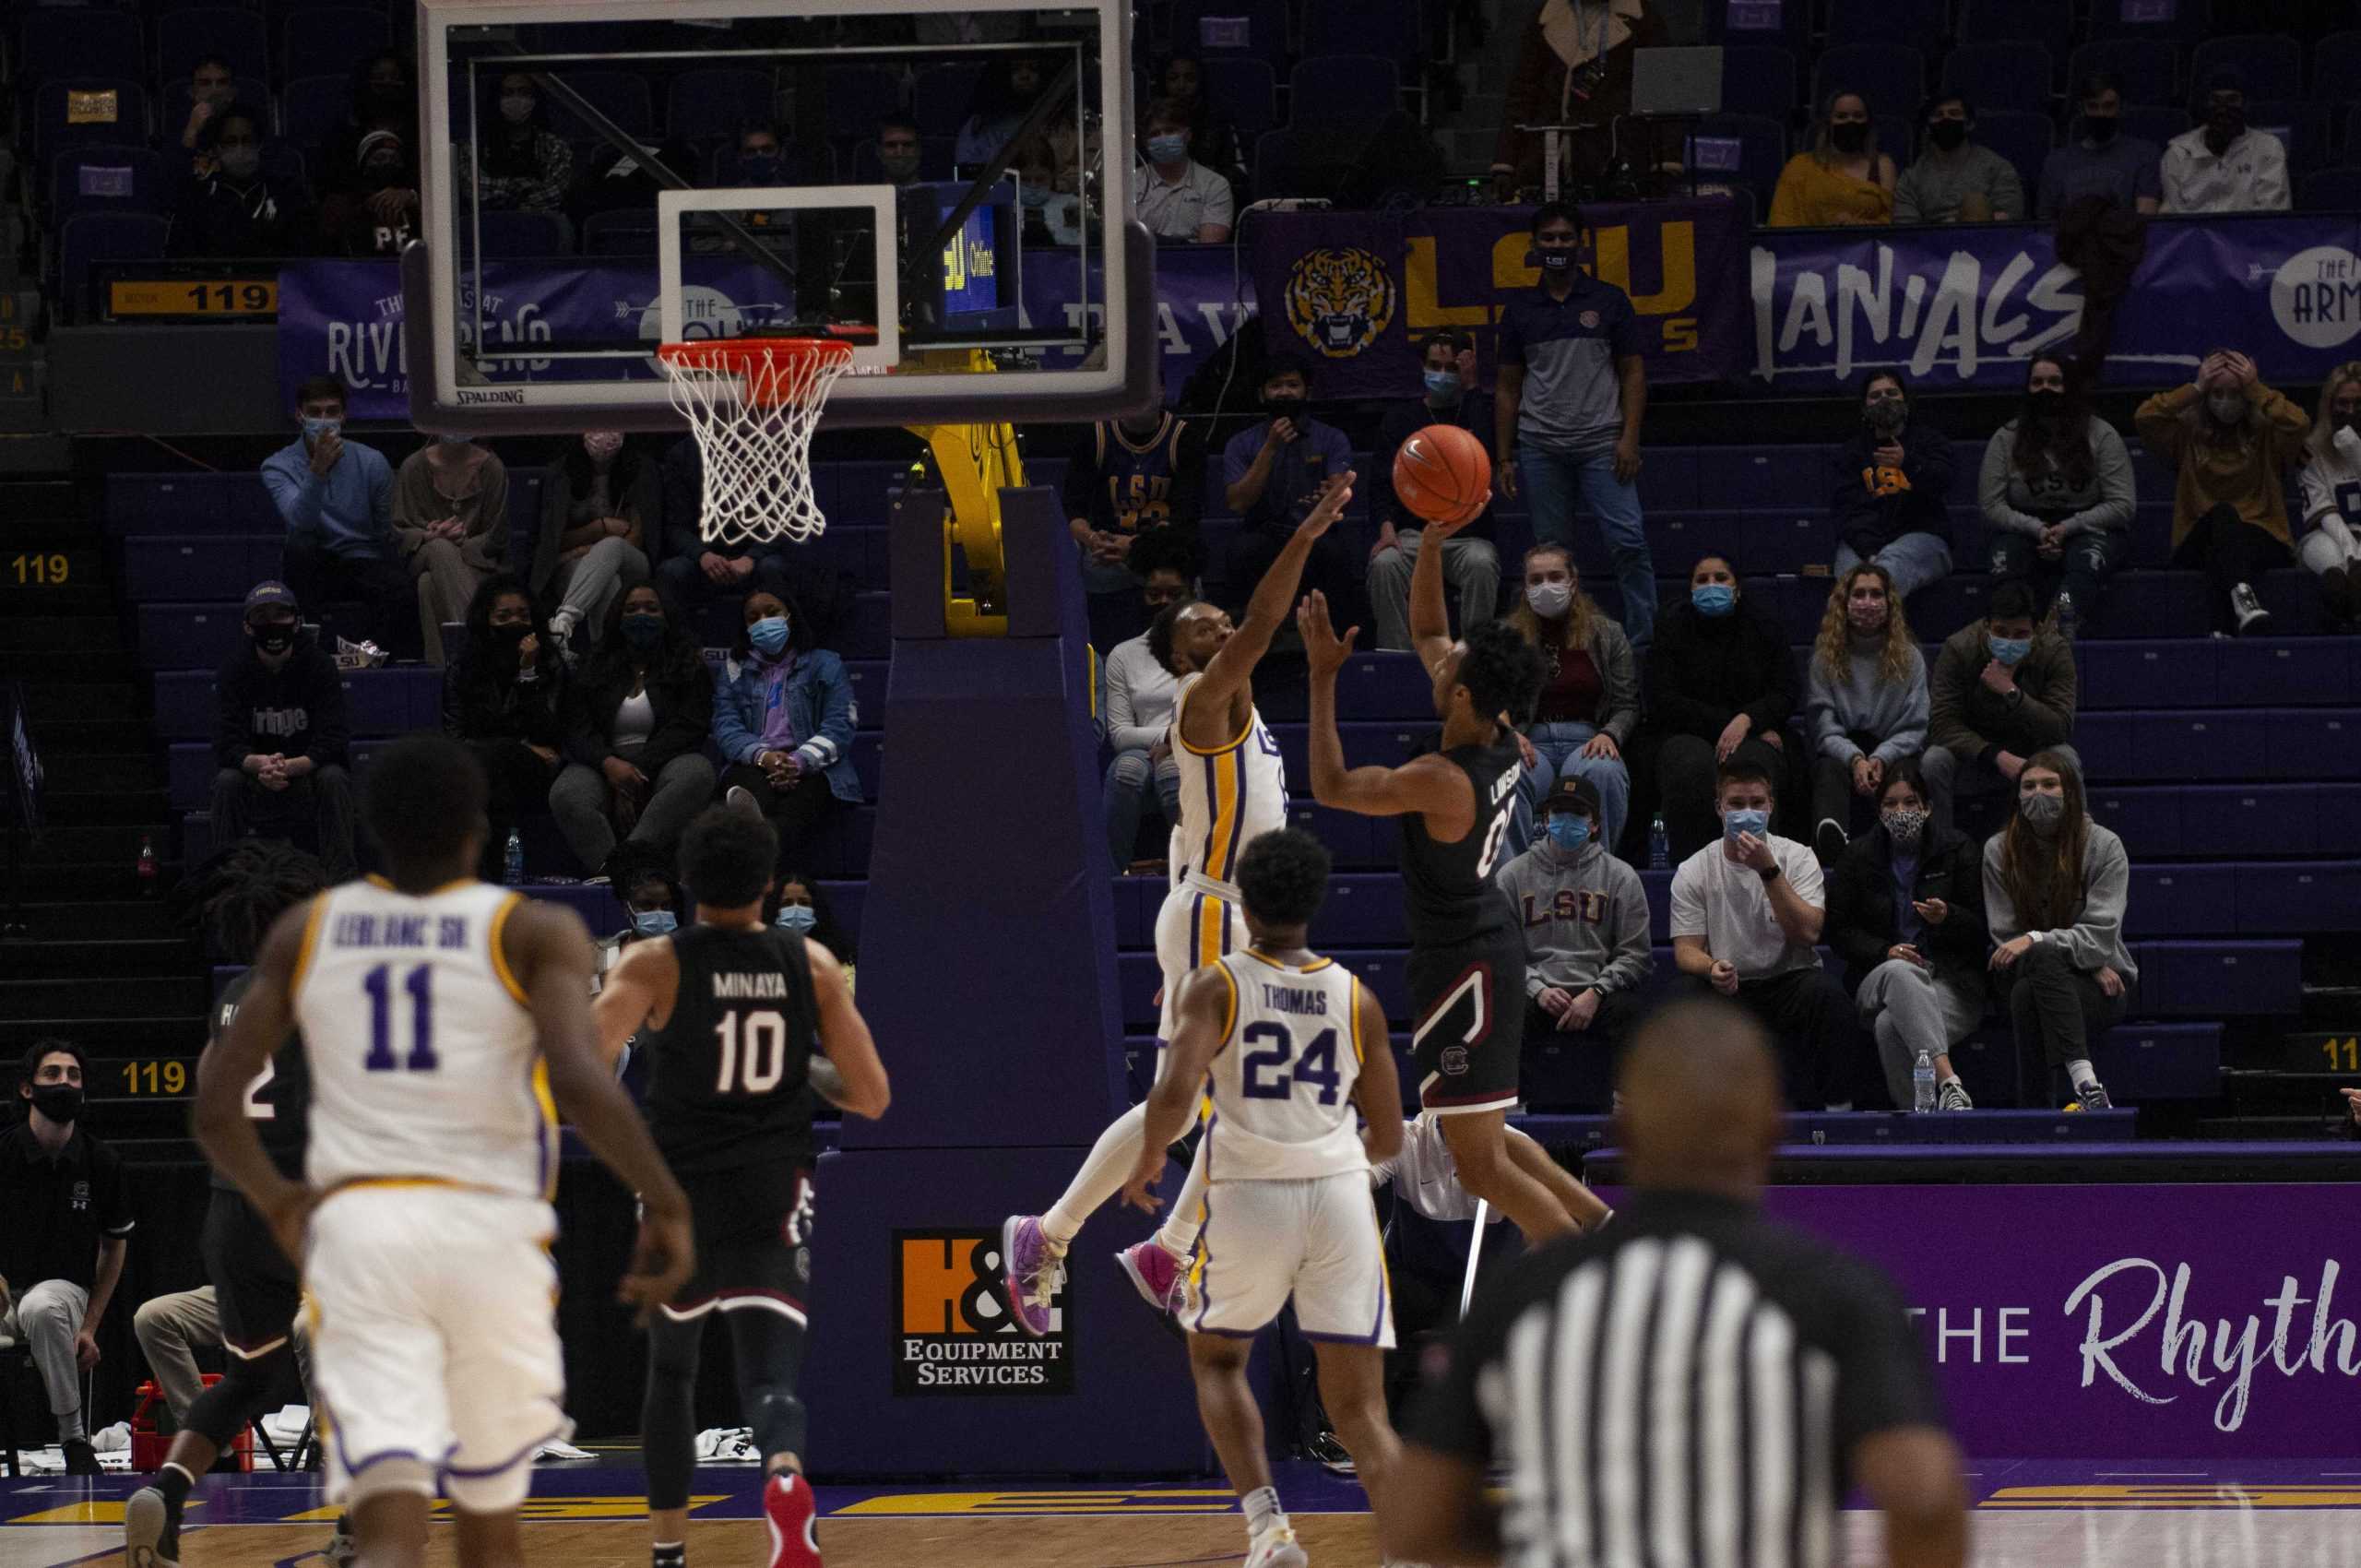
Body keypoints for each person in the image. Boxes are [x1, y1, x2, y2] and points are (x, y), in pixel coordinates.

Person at [191, 735, 695, 1568]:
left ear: (374, 830)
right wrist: (666, 1200)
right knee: (486, 1521)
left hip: (359, 1237)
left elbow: (216, 1108)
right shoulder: (531, 928)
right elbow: (580, 1081)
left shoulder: (306, 933)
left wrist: (279, 1203)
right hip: (479, 1233)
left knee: (389, 1531)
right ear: (477, 827)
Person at [1382, 1001, 1968, 1568]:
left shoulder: (1524, 1296)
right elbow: (1924, 1504)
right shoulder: (1838, 1294)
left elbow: (1419, 1518)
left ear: (1625, 1132)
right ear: (1772, 1130)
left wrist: (1558, 1538)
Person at [1001, 478, 1363, 1334]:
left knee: (1254, 1101)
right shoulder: (1204, 704)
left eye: (1219, 618)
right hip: (1215, 911)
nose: (1222, 625)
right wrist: (1305, 531)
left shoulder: (1239, 713)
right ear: (1179, 655)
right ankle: (1048, 1235)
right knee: (1201, 1101)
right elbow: (1266, 620)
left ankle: (1168, 1246)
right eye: (1202, 624)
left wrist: (1318, 680)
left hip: (1229, 915)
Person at [1299, 512, 1608, 1244]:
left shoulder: (1442, 779)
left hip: (1463, 963)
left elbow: (1334, 786)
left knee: (1476, 1166)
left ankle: (1588, 1276)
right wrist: (1429, 545)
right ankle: (1600, 1223)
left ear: (1463, 697)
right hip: (1479, 944)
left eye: (1447, 667)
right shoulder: (1501, 731)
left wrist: (1320, 682)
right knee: (1484, 1137)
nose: (1434, 660)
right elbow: (1432, 630)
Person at [596, 806, 890, 1568]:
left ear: (687, 882)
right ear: (768, 881)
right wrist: (802, 1068)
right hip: (773, 1185)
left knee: (673, 1372)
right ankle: (786, 1479)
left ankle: (668, 1552)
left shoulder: (653, 963)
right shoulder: (811, 964)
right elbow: (870, 1095)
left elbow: (583, 1066)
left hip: (680, 1193)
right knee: (770, 1379)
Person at [1117, 827, 1406, 1568]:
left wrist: (1150, 1159)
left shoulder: (1215, 984)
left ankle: (1269, 1530)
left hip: (1249, 1192)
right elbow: (1391, 1134)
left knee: (1215, 1359)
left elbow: (1172, 1094)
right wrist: (1337, 1164)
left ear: (1242, 900)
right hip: (1340, 1197)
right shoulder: (1356, 994)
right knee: (1363, 1410)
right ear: (1315, 902)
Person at [125, 842, 352, 1568]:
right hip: (305, 1209)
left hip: (232, 1211)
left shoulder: (231, 998)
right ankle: (353, 1523)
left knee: (252, 1376)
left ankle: (165, 1491)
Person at [1496, 202, 1655, 649]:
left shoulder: (1609, 300)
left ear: (1581, 244)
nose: (1557, 246)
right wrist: (1505, 455)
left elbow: (1633, 373)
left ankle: (1644, 640)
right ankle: (1559, 640)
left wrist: (1629, 438)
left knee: (1629, 542)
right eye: (1548, 239)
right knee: (1551, 554)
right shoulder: (1520, 310)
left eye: (1566, 238)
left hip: (1602, 443)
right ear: (1533, 247)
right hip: (1540, 445)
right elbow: (1507, 387)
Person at [1671, 760, 1866, 1110]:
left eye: (1757, 803)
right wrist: (1711, 967)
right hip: (1729, 985)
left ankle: (1838, 1112)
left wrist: (1769, 870)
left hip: (1788, 980)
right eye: (1736, 804)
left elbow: (1808, 933)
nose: (1747, 812)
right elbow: (1686, 950)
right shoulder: (1694, 869)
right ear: (1719, 807)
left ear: (1771, 806)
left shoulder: (1799, 857)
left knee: (1830, 999)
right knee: (1681, 994)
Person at [0, 1040, 131, 1477]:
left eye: (73, 1076)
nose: (65, 1083)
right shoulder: (4, 1153)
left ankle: (73, 1440)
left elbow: (114, 1246)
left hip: (63, 1293)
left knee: (42, 1306)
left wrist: (91, 1325)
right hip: (2, 1291)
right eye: (53, 1074)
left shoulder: (100, 1161)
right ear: (27, 1089)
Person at [1826, 763, 1986, 1111]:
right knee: (1900, 973)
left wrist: (1948, 917)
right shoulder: (1856, 857)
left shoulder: (1958, 849)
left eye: (1910, 802)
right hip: (1877, 980)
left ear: (1927, 807)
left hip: (1950, 982)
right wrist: (1885, 951)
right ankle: (1950, 1084)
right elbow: (1838, 932)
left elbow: (1981, 929)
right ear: (1879, 811)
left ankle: (1923, 1119)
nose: (1901, 812)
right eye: (1891, 804)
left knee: (1890, 1026)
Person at [1985, 752, 2137, 1111]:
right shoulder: (1998, 849)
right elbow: (2005, 940)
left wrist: (2039, 939)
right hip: (2054, 970)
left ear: (2069, 792)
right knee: (2031, 978)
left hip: (2101, 987)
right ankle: (2087, 1085)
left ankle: (2036, 1112)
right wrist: (2075, 958)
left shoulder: (2104, 845)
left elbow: (2101, 933)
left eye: (2049, 784)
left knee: (2027, 994)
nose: (2039, 793)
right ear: (2018, 796)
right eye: (2029, 786)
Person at [1493, 776, 1651, 1099]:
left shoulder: (1621, 876)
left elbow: (1636, 956)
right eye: (1559, 812)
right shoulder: (1511, 876)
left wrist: (1596, 992)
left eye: (1577, 814)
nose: (1568, 821)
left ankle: (1628, 1105)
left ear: (1594, 824)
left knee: (1632, 1010)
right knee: (1502, 1007)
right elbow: (1501, 953)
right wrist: (1537, 989)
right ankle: (1511, 1107)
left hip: (1597, 989)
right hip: (1537, 989)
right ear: (1546, 819)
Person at [2135, 348, 2308, 637]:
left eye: (2235, 393)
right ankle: (2243, 602)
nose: (2226, 402)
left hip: (2262, 534)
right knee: (2223, 516)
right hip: (2197, 537)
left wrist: (2257, 390)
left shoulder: (2266, 431)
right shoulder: (2186, 432)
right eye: (2216, 393)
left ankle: (2224, 625)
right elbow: (2145, 417)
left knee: (2227, 548)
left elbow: (2299, 423)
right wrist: (2195, 387)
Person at [550, 586, 717, 878]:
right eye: (632, 609)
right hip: (601, 762)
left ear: (667, 617)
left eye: (651, 608)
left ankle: (629, 862)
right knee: (567, 794)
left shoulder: (690, 665)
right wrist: (610, 765)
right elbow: (577, 727)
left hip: (664, 759)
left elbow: (689, 728)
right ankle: (614, 873)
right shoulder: (592, 664)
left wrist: (635, 772)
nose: (642, 615)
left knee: (698, 772)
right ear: (617, 617)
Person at [1645, 554, 1795, 863]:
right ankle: (1691, 872)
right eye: (1702, 580)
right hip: (1684, 732)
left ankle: (1766, 869)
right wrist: (1733, 723)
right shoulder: (1671, 630)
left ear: (1737, 588)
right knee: (1691, 768)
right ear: (1690, 589)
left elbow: (1785, 692)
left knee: (1752, 767)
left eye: (1721, 578)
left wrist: (1748, 720)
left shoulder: (1764, 628)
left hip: (1751, 734)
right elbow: (1663, 700)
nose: (1711, 585)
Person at [210, 581, 358, 880]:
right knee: (227, 782)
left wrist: (289, 767)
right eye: (262, 617)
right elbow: (226, 742)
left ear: (297, 621)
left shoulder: (319, 665)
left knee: (334, 777)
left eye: (281, 615)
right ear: (248, 627)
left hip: (305, 774)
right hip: (257, 778)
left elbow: (334, 737)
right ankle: (227, 879)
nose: (272, 624)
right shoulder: (234, 669)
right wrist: (261, 765)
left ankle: (340, 882)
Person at [1979, 356, 2136, 632]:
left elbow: (2122, 504)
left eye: (2054, 382)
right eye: (2037, 382)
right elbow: (1991, 504)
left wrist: (2068, 527)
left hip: (2087, 525)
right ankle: (2012, 633)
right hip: (2025, 526)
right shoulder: (2006, 437)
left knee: (2084, 565)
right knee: (2005, 564)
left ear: (2070, 387)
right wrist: (2036, 529)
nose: (2045, 389)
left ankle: (2057, 630)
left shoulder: (2101, 434)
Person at [263, 376, 413, 659]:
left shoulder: (372, 462)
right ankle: (309, 652)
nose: (323, 419)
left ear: (344, 416)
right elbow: (301, 522)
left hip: (361, 558)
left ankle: (368, 655)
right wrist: (317, 470)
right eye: (315, 412)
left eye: (331, 411)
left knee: (401, 588)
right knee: (298, 548)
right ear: (300, 415)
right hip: (313, 559)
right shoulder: (277, 466)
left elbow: (383, 530)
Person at [1370, 331, 1502, 652]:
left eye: (1451, 368)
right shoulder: (1400, 418)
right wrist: (1387, 530)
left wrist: (1472, 388)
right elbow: (1380, 484)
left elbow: (1490, 457)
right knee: (1384, 564)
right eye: (1434, 365)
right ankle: (1397, 656)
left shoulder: (1478, 411)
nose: (1442, 374)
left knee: (1482, 564)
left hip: (1467, 535)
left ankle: (1473, 658)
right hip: (1414, 533)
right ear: (1422, 366)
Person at [713, 589, 861, 873]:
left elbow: (840, 724)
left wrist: (798, 761)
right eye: (753, 617)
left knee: (790, 813)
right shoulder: (735, 668)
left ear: (790, 617)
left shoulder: (825, 662)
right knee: (753, 794)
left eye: (772, 613)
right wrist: (764, 756)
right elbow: (726, 725)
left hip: (816, 767)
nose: (763, 621)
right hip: (754, 762)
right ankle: (769, 878)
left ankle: (755, 873)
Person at [1505, 544, 1636, 854]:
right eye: (1536, 580)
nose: (1545, 586)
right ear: (1525, 588)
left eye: (1554, 577)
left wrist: (1609, 734)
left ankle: (1597, 875)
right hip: (1528, 741)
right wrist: (1504, 733)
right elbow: (1487, 701)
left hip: (1588, 739)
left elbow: (1627, 703)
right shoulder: (1506, 637)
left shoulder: (1607, 633)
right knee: (1503, 776)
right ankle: (1511, 884)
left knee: (1604, 771)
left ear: (1572, 582)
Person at [1922, 581, 2076, 832]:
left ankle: (2071, 849)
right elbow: (1941, 724)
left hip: (2031, 752)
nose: (2009, 641)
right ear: (1986, 626)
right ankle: (1940, 852)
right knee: (1933, 760)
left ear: (2036, 631)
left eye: (2020, 634)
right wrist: (1995, 755)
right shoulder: (1959, 649)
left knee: (2066, 757)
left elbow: (2059, 728)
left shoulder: (2054, 651)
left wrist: (2011, 692)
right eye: (2001, 632)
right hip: (1973, 753)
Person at [442, 576, 566, 883]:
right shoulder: (462, 668)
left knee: (494, 761)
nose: (515, 623)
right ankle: (503, 874)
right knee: (491, 767)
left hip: (537, 767)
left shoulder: (550, 664)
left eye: (523, 616)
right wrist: (519, 745)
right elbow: (455, 737)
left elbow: (549, 733)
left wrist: (528, 672)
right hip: (480, 765)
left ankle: (488, 877)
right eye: (504, 616)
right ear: (486, 620)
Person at [1805, 564, 1928, 862]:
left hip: (1894, 750)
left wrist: (1880, 758)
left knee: (1906, 774)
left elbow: (1915, 726)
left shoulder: (1910, 657)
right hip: (1843, 751)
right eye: (1859, 594)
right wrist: (1855, 759)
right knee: (1827, 769)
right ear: (1845, 604)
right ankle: (1831, 848)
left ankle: (1903, 851)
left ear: (1889, 604)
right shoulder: (1824, 658)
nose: (1868, 602)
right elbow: (1823, 726)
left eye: (1876, 594)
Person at [1220, 356, 1358, 619]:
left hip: (1315, 532)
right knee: (1240, 553)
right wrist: (1270, 447)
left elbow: (1341, 487)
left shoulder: (1331, 437)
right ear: (1262, 394)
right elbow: (1238, 502)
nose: (1284, 392)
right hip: (1262, 533)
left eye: (1293, 385)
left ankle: (1341, 643)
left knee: (1336, 555)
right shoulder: (1241, 443)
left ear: (1307, 391)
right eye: (1276, 385)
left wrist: (1330, 497)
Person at [1063, 404, 1204, 652]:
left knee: (1184, 555)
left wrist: (1133, 546)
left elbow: (1186, 517)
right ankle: (1097, 658)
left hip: (1161, 549)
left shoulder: (1185, 437)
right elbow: (1073, 512)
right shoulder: (1095, 435)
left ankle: (1190, 657)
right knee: (1087, 565)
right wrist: (1093, 538)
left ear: (1160, 391)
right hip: (1105, 550)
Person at [1490, 0, 1669, 195]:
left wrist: (1666, 162)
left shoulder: (1644, 20)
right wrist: (1505, 162)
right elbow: (1522, 93)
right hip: (1549, 155)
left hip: (1618, 154)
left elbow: (1662, 95)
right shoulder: (1542, 20)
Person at [1099, 535, 1193, 872]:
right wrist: (1168, 736)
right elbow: (1121, 735)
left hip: (1197, 749)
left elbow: (1220, 717)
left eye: (1174, 595)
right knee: (1126, 769)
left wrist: (1178, 742)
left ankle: (1197, 874)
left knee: (1171, 771)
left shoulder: (1212, 648)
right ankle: (1111, 878)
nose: (1164, 603)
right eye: (1155, 595)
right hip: (1140, 754)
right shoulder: (1124, 655)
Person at [1832, 369, 1954, 601]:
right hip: (1863, 542)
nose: (1884, 399)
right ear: (1864, 407)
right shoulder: (1851, 453)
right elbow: (1847, 510)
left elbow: (1943, 482)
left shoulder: (1930, 442)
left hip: (1924, 537)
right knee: (1851, 585)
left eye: (1891, 392)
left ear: (1905, 400)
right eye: (1875, 395)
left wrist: (1907, 463)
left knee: (1885, 575)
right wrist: (1870, 552)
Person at [395, 433, 511, 666]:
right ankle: (481, 651)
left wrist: (461, 542)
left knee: (428, 585)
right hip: (424, 553)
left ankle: (445, 674)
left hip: (479, 563)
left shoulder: (493, 468)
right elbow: (400, 531)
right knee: (439, 548)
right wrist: (431, 535)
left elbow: (496, 537)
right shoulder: (413, 467)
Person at [536, 432, 657, 658]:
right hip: (574, 563)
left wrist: (599, 550)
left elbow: (637, 537)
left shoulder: (641, 469)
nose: (604, 435)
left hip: (631, 561)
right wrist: (599, 527)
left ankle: (563, 621)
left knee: (612, 547)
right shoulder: (560, 472)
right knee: (608, 580)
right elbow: (552, 543)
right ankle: (605, 658)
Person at [170, 105, 310, 260]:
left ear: (259, 146)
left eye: (247, 141)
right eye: (231, 141)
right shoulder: (196, 197)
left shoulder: (286, 192)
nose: (240, 148)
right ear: (218, 148)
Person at [2161, 67, 2289, 214]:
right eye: (2215, 100)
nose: (2223, 110)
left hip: (2249, 235)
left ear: (2245, 105)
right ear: (2205, 105)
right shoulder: (2178, 152)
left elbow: (2271, 215)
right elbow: (2173, 220)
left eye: (2232, 100)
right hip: (2194, 235)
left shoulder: (2268, 148)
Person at [2037, 72, 2163, 219]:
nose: (2101, 114)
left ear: (2121, 107)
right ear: (2081, 109)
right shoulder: (2056, 162)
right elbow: (2045, 223)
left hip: (2123, 239)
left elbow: (2145, 219)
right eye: (2093, 106)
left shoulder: (2145, 154)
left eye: (2108, 106)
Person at [1769, 90, 1897, 227]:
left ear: (1868, 123)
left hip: (1866, 246)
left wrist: (1858, 224)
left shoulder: (1881, 165)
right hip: (1809, 247)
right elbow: (1782, 222)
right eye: (1841, 116)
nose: (1850, 121)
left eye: (1858, 116)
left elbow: (1891, 223)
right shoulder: (1799, 166)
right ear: (1828, 124)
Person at [1892, 94, 2023, 223]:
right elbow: (1906, 229)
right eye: (1938, 115)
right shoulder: (1911, 178)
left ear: (1969, 124)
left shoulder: (1998, 168)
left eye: (1954, 113)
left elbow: (2010, 215)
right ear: (1927, 128)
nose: (1946, 119)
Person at [2298, 362, 2361, 629]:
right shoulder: (2311, 448)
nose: (2351, 411)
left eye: (2358, 403)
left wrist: (2356, 453)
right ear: (2329, 404)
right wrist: (2353, 556)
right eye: (2342, 403)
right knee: (2335, 576)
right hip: (2328, 535)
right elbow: (2324, 511)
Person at [465, 72, 573, 218]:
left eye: (524, 92)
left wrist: (509, 197)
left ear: (535, 99)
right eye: (508, 93)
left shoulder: (554, 146)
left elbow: (555, 193)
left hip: (542, 225)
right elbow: (476, 190)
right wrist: (525, 187)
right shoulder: (476, 147)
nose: (516, 99)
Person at [1133, 99, 1234, 244]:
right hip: (1143, 264)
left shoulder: (1215, 185)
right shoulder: (1130, 184)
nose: (1163, 138)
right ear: (1145, 142)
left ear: (1188, 135)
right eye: (1155, 134)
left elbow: (1209, 248)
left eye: (1170, 130)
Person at [317, 126, 421, 256]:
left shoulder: (411, 201)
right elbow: (327, 234)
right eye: (380, 158)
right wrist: (364, 206)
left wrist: (413, 198)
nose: (388, 163)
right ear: (364, 165)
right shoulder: (342, 202)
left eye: (394, 159)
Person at [1154, 55, 1241, 184]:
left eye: (1190, 79)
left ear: (1200, 82)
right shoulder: (1152, 121)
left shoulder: (1219, 121)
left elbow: (1237, 170)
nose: (1181, 86)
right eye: (1173, 78)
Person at [954, 55, 1048, 167]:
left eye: (1033, 68)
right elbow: (967, 172)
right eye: (1016, 69)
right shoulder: (979, 125)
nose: (1025, 75)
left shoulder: (1057, 118)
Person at [178, 54, 243, 176]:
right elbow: (172, 177)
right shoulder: (179, 122)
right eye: (205, 83)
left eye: (222, 83)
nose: (215, 90)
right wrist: (191, 131)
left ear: (232, 92)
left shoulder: (248, 122)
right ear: (192, 92)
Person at [876, 114, 925, 185]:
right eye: (891, 145)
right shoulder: (863, 196)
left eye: (908, 144)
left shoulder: (939, 196)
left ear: (919, 149)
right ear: (878, 151)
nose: (899, 152)